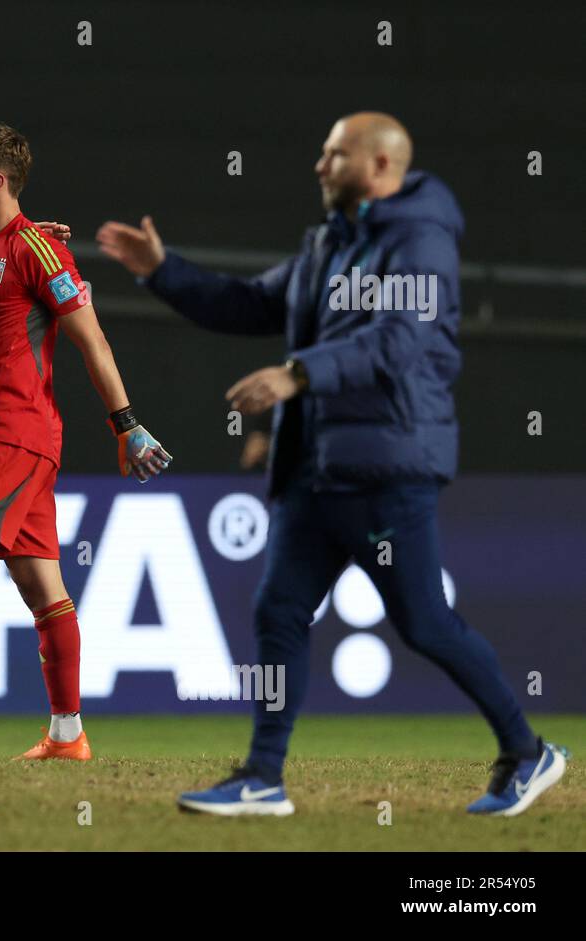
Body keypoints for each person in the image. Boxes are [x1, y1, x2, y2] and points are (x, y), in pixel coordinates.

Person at [98, 111, 566, 817]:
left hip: (385, 468)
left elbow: (398, 341)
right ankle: (262, 775)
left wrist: (297, 374)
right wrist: (164, 273)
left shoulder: (421, 240)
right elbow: (253, 301)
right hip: (317, 467)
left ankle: (528, 752)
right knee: (278, 609)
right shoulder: (329, 243)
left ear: (381, 166)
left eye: (335, 154)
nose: (319, 165)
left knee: (425, 624)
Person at [0, 125, 172, 761]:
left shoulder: (39, 251)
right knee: (41, 584)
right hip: (1, 435)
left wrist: (125, 424)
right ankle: (67, 736)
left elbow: (91, 339)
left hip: (19, 434)